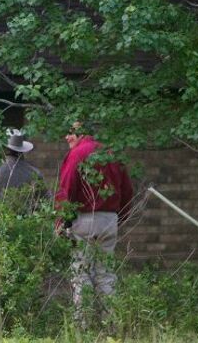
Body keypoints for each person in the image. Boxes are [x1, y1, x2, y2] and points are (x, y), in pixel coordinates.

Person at [54, 121, 133, 327]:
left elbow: (67, 189)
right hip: (109, 219)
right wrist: (118, 218)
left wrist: (61, 220)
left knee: (82, 274)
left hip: (84, 219)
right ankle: (112, 325)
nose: (67, 137)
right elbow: (127, 192)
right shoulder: (111, 153)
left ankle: (84, 327)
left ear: (82, 132)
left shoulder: (78, 154)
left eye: (71, 132)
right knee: (105, 274)